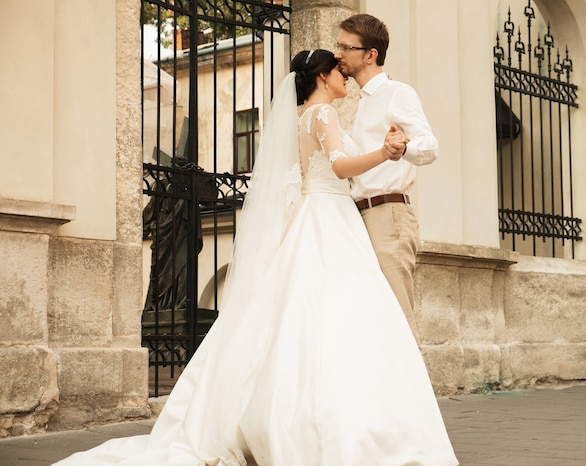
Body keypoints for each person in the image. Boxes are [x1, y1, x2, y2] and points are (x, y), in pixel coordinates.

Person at [52, 50, 458, 466]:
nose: (345, 76)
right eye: (338, 70)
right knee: (335, 314)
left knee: (303, 315)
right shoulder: (323, 115)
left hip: (323, 213)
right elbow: (339, 168)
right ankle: (330, 419)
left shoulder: (305, 116)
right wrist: (385, 154)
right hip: (328, 216)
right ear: (321, 76)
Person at [335, 14, 439, 338]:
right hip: (360, 219)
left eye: (345, 47)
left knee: (399, 321)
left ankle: (415, 390)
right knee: (375, 322)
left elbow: (430, 146)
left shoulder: (397, 93)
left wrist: (401, 150)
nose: (338, 53)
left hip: (388, 216)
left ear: (370, 54)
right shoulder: (362, 104)